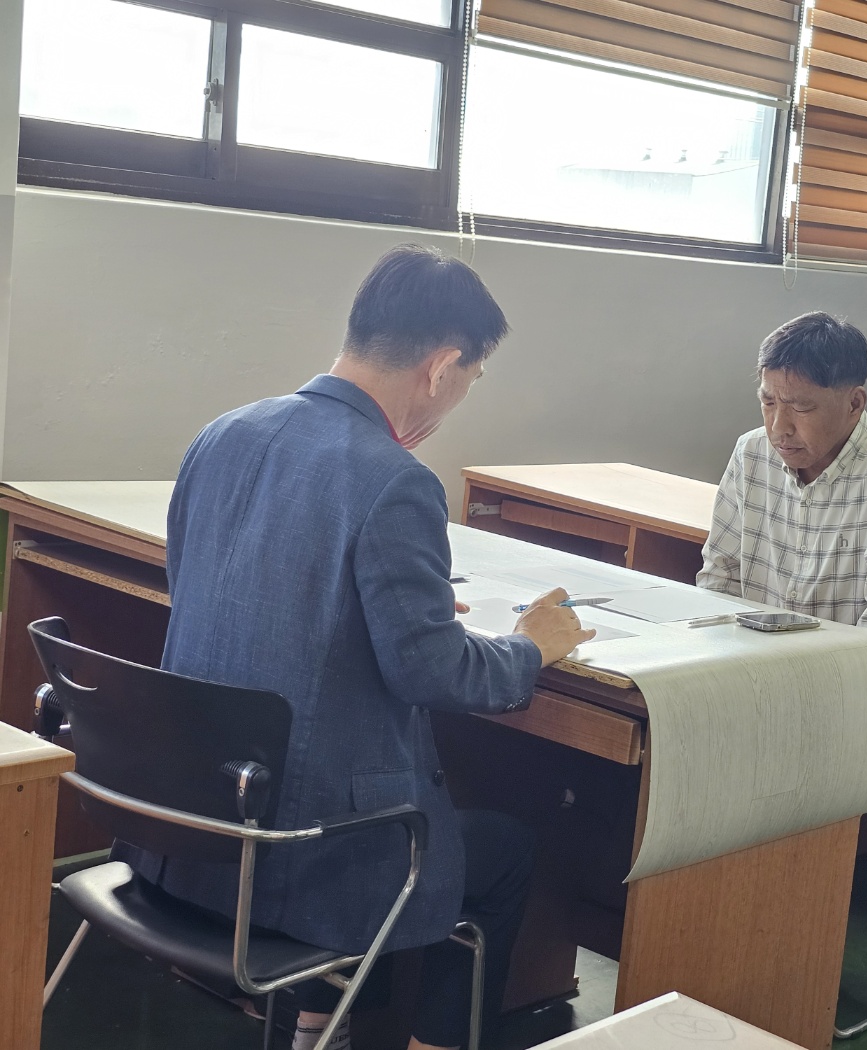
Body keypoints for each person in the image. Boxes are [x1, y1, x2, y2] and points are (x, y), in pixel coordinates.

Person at [122, 244, 593, 1050]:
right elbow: (433, 671)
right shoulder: (396, 479)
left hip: (192, 831)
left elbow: (207, 587)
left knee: (355, 775)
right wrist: (529, 648)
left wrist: (380, 606)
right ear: (441, 367)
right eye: (473, 379)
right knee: (506, 852)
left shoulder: (222, 434)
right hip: (303, 861)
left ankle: (319, 1026)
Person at [697, 311, 867, 763]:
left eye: (801, 408)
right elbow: (718, 582)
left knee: (754, 770)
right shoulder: (752, 453)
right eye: (768, 402)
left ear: (854, 403)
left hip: (863, 701)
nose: (779, 427)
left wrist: (795, 697)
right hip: (756, 685)